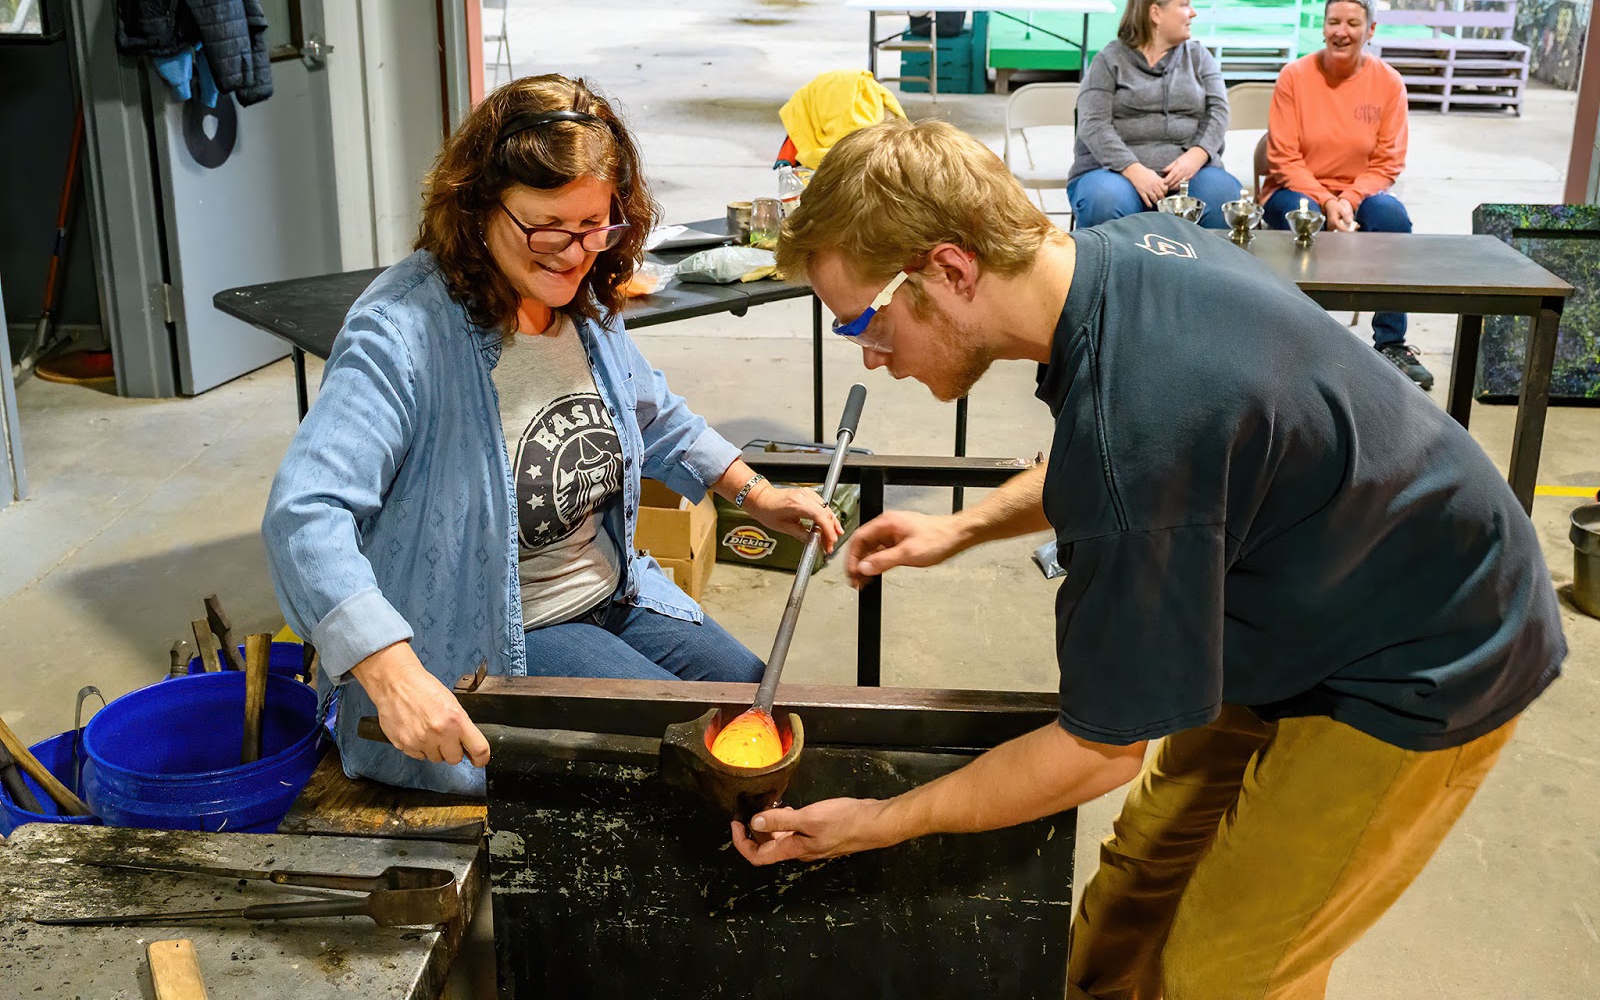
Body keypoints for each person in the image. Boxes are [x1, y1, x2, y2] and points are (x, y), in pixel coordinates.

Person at [737, 117, 1566, 999]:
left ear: (949, 268)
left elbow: (1098, 750)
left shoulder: (1136, 426)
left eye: (864, 320)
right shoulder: (1119, 254)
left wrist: (878, 821)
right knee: (1135, 894)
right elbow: (1166, 452)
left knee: (1226, 971)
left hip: (1430, 647)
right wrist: (963, 527)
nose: (869, 353)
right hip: (1305, 585)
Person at [263, 75, 840, 795]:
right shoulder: (401, 335)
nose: (573, 253)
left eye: (595, 225)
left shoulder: (582, 305)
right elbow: (304, 514)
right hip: (492, 632)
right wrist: (390, 671)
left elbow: (652, 412)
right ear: (476, 208)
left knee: (763, 707)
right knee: (689, 764)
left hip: (616, 591)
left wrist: (754, 493)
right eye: (546, 227)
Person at [1261, 0, 1433, 390]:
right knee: (1300, 216)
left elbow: (1388, 161)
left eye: (1353, 23)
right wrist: (1325, 201)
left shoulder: (1389, 83)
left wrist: (1350, 199)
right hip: (1297, 190)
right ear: (1322, 27)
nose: (1342, 30)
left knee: (1392, 216)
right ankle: (1301, 342)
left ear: (1370, 30)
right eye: (1333, 21)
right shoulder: (1294, 77)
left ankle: (1392, 342)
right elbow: (1283, 157)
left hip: (1358, 193)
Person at [1067, 0, 1242, 231]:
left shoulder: (1199, 56)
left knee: (1221, 195)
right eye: (1184, 5)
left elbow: (1218, 111)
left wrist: (1198, 154)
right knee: (1105, 200)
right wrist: (1132, 169)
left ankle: (1205, 272)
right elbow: (1093, 123)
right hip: (1114, 173)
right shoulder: (1109, 60)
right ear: (1156, 13)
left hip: (1191, 173)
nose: (1192, 13)